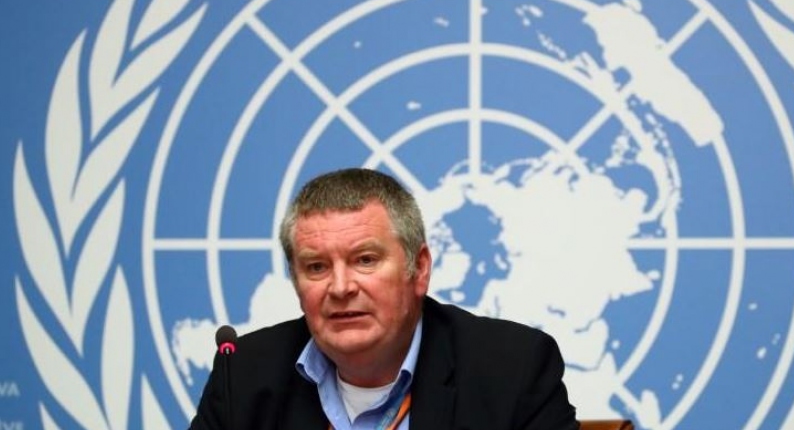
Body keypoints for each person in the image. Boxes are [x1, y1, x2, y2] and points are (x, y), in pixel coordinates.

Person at [190, 168, 577, 429]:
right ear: (295, 281)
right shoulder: (243, 376)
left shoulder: (511, 370)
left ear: (418, 269)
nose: (340, 287)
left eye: (365, 260)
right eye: (316, 267)